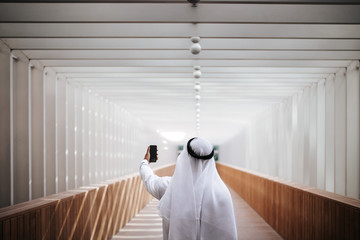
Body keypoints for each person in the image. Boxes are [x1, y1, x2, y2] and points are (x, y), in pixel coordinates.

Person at [139, 137, 237, 240]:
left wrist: (145, 162)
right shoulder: (223, 193)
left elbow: (150, 181)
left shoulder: (172, 188)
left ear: (185, 157)